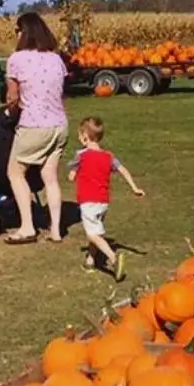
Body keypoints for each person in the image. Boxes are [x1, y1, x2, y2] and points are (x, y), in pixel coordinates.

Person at [3, 12, 69, 244]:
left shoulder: (16, 59)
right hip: (59, 125)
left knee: (15, 172)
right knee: (49, 176)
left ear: (24, 32)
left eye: (17, 30)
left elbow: (12, 97)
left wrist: (11, 112)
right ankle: (57, 230)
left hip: (34, 125)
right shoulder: (55, 59)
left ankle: (27, 227)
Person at [67, 116, 145, 281]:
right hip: (103, 202)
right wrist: (134, 188)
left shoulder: (81, 155)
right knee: (95, 230)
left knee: (92, 234)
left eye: (80, 136)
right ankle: (90, 260)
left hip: (88, 201)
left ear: (85, 137)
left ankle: (113, 258)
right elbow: (123, 169)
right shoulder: (108, 156)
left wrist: (73, 173)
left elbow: (71, 177)